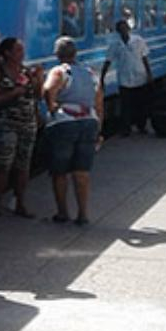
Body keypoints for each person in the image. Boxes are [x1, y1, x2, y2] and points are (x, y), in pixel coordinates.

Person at [40, 37, 104, 225]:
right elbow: (99, 103)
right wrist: (99, 129)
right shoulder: (91, 73)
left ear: (57, 55)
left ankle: (62, 213)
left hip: (65, 124)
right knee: (82, 171)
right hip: (89, 122)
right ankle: (83, 214)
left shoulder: (59, 71)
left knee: (60, 172)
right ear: (75, 54)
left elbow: (48, 90)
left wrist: (52, 108)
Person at [0, 37, 42, 220]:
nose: (22, 53)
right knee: (4, 164)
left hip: (28, 123)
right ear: (7, 53)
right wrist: (14, 93)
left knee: (23, 164)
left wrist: (37, 81)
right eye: (18, 50)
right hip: (6, 123)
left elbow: (36, 96)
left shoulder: (25, 71)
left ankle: (21, 203)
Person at [99, 19, 153, 136]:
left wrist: (149, 74)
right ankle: (126, 128)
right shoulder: (115, 45)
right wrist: (102, 77)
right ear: (118, 31)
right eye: (121, 29)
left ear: (128, 29)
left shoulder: (138, 41)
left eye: (125, 28)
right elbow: (108, 60)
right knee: (125, 106)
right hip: (124, 79)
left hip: (140, 76)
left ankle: (141, 126)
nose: (123, 31)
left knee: (140, 104)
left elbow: (145, 58)